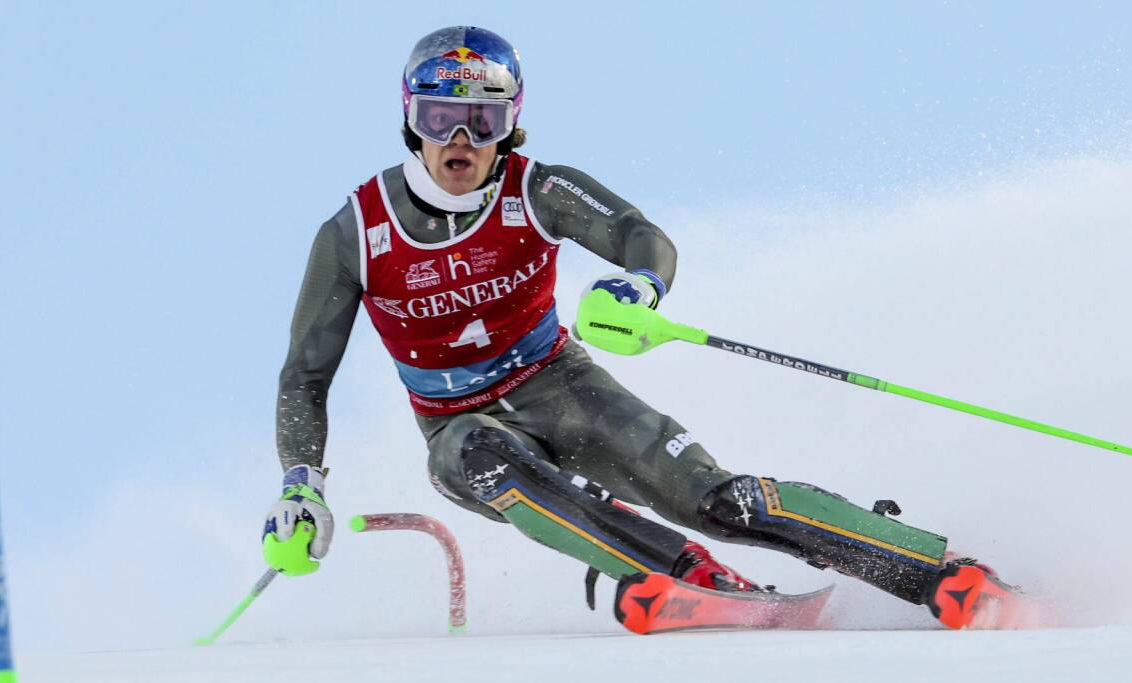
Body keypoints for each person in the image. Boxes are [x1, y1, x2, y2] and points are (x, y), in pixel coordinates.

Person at [261, 25, 1016, 631]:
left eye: (482, 120)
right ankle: (669, 576)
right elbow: (305, 374)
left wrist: (635, 286)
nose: (460, 141)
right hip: (458, 422)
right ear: (410, 119)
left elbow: (639, 235)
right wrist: (302, 485)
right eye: (439, 117)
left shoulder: (537, 187)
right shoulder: (357, 230)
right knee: (478, 455)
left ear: (509, 124)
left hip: (561, 383)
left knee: (718, 500)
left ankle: (940, 570)